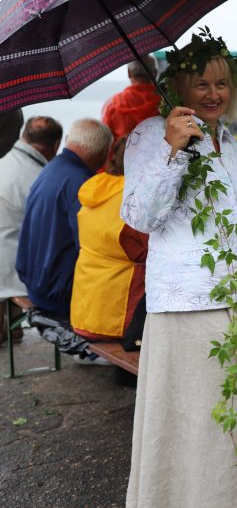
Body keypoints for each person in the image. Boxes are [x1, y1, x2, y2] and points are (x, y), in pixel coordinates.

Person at [120, 31, 237, 508]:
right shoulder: (149, 135)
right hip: (184, 305)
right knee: (187, 423)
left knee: (233, 419)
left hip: (233, 302)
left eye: (222, 84)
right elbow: (140, 216)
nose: (213, 94)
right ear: (179, 84)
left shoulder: (230, 143)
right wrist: (174, 149)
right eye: (202, 84)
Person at [15, 118, 111, 362]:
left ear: (68, 141)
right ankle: (97, 350)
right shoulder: (82, 182)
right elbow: (92, 246)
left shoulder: (51, 168)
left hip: (34, 282)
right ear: (102, 153)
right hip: (56, 295)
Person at [70, 137, 148, 346]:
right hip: (116, 321)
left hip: (84, 313)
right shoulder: (134, 198)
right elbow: (148, 252)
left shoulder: (96, 187)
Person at [0, 116, 61, 343]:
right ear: (56, 146)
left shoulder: (5, 159)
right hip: (14, 270)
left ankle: (11, 330)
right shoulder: (38, 178)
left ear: (24, 134)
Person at [101, 56, 161, 140]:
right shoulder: (166, 101)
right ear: (155, 73)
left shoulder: (113, 104)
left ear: (129, 73)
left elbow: (105, 141)